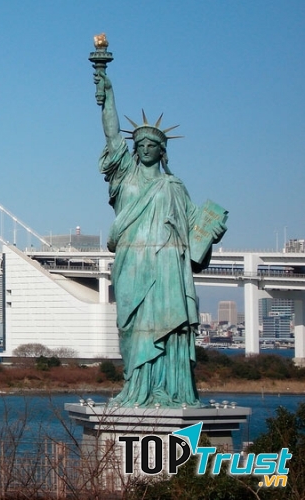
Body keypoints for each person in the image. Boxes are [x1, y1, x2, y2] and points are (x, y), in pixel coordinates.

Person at [95, 69, 225, 408]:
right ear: (134, 150)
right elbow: (112, 137)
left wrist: (211, 232)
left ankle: (172, 389)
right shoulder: (124, 175)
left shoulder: (174, 186)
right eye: (140, 145)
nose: (146, 149)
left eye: (153, 145)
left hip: (167, 264)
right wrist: (107, 95)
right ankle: (136, 387)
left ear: (163, 150)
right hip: (131, 263)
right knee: (133, 327)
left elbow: (194, 231)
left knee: (170, 328)